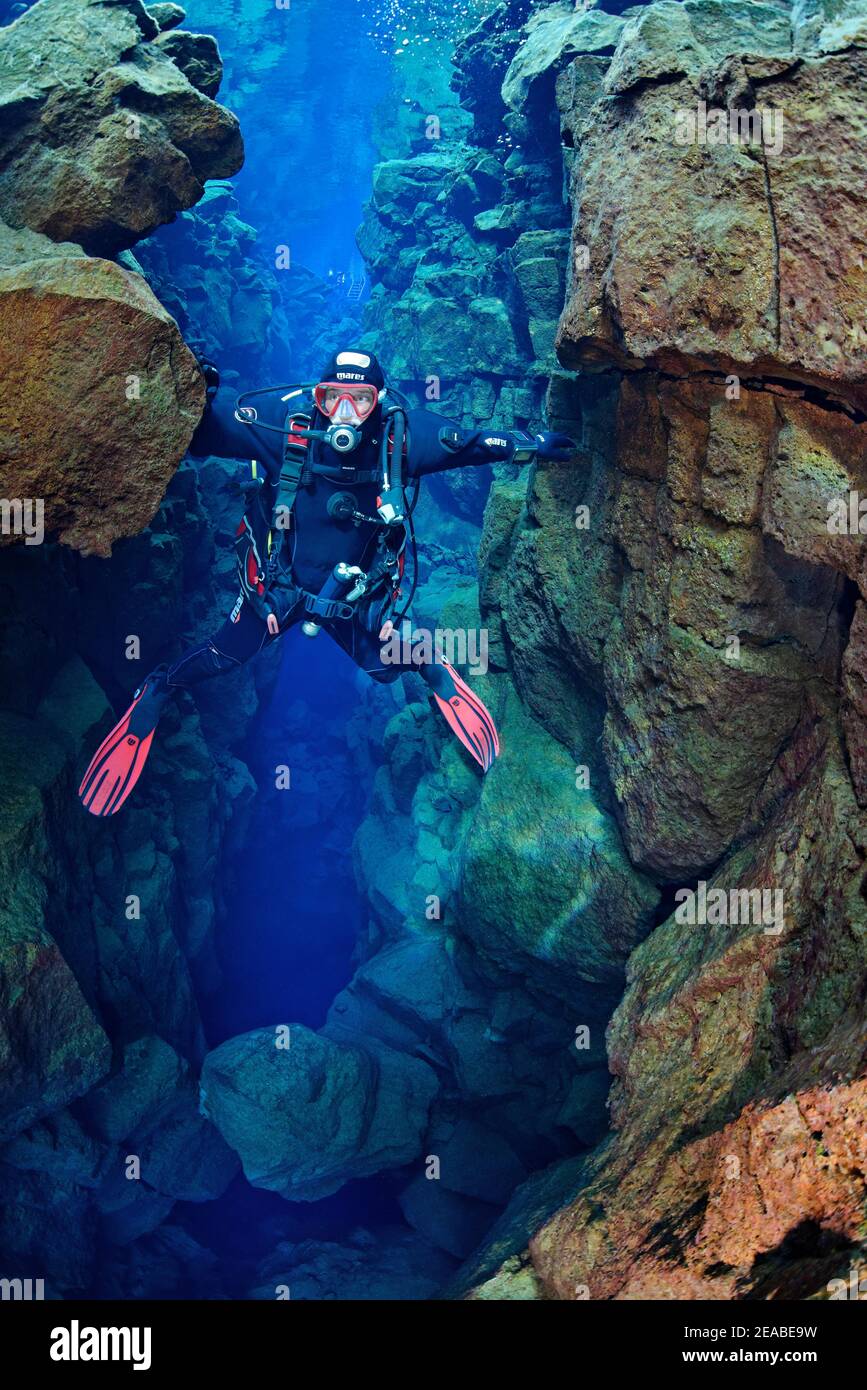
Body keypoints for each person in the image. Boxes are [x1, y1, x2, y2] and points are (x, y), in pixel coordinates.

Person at [79, 348, 574, 816]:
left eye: (359, 400)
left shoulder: (402, 438)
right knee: (222, 654)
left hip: (351, 597)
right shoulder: (283, 424)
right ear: (316, 397)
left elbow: (472, 443)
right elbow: (205, 432)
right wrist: (191, 392)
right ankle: (160, 687)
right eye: (331, 396)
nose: (343, 412)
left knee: (384, 665)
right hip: (281, 591)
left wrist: (532, 444)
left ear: (378, 404)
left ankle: (433, 667)